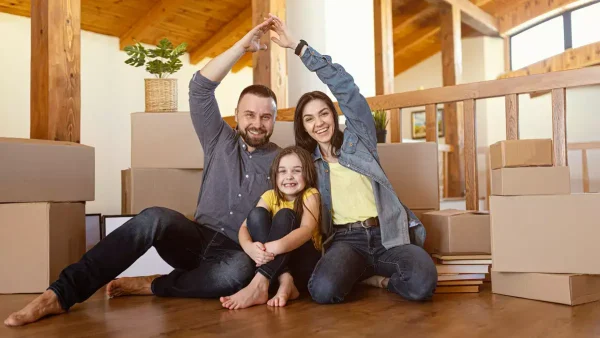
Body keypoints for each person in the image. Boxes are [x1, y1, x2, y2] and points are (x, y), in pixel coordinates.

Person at [4, 18, 281, 327]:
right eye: (250, 114)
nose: (257, 123)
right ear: (238, 116)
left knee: (237, 274)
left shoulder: (283, 161)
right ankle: (59, 294)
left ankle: (153, 285)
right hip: (193, 238)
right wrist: (241, 47)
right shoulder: (219, 138)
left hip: (236, 252)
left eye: (266, 117)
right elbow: (200, 88)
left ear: (273, 120)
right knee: (152, 217)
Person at [268, 15, 438, 303]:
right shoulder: (308, 164)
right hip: (347, 241)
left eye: (323, 114)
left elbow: (346, 88)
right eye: (309, 119)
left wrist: (298, 47)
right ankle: (360, 273)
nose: (318, 123)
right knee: (322, 291)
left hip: (388, 234)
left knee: (423, 283)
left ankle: (378, 281)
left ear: (333, 116)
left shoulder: (360, 140)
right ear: (304, 127)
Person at [220, 146, 321, 309]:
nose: (289, 176)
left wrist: (276, 246)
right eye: (282, 171)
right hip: (276, 265)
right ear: (275, 175)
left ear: (307, 173)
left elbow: (307, 230)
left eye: (296, 170)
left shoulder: (310, 194)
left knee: (285, 215)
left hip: (304, 263)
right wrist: (250, 248)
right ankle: (285, 281)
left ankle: (259, 284)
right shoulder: (269, 195)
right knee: (257, 214)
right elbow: (244, 228)